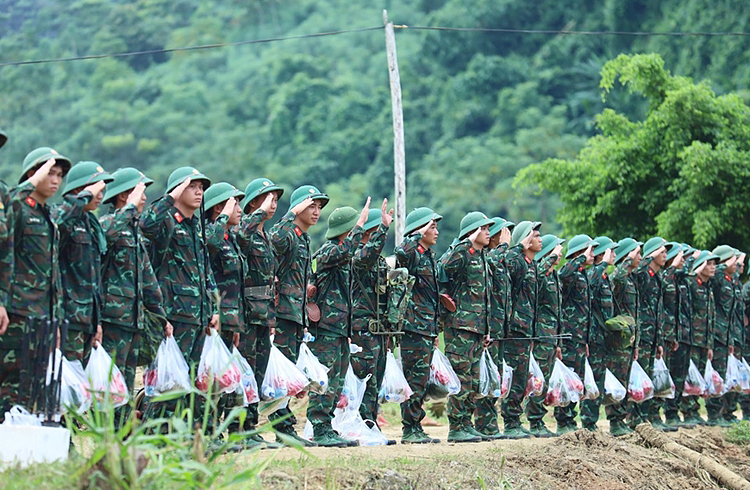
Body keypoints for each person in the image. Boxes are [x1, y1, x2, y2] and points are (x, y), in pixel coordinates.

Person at [0, 150, 71, 421]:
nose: (55, 181)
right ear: (32, 175)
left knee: (30, 386)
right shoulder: (17, 206)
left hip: (42, 317)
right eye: (49, 173)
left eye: (59, 176)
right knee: (11, 383)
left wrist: (56, 319)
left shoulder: (48, 216)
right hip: (17, 311)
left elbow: (52, 275)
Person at [99, 168, 172, 420]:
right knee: (111, 380)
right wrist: (129, 208)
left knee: (126, 381)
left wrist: (161, 317)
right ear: (124, 196)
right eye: (141, 193)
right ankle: (110, 433)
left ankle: (122, 432)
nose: (144, 199)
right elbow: (106, 235)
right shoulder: (109, 225)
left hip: (133, 319)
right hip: (112, 319)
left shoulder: (134, 234)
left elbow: (148, 281)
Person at [306, 200, 371, 447]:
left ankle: (326, 426)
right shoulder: (328, 252)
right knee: (326, 377)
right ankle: (320, 427)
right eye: (355, 228)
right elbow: (343, 252)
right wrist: (361, 224)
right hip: (325, 329)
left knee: (337, 379)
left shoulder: (344, 256)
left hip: (339, 328)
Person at [269, 184, 328, 446]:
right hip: (281, 314)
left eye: (318, 207)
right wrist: (290, 213)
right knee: (280, 377)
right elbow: (274, 239)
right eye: (311, 206)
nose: (316, 212)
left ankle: (286, 428)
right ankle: (282, 429)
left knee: (290, 375)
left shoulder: (303, 237)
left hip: (295, 315)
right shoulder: (288, 233)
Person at [141, 167, 219, 363]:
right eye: (191, 186)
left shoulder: (196, 227)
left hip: (199, 318)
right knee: (169, 385)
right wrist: (170, 197)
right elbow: (146, 225)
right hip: (173, 316)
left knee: (190, 384)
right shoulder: (167, 222)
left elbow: (205, 271)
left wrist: (214, 309)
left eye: (201, 187)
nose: (199, 191)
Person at [204, 182, 259, 445]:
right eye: (233, 203)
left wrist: (236, 324)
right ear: (219, 207)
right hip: (214, 318)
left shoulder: (230, 239)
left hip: (231, 318)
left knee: (227, 379)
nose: (239, 208)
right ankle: (210, 431)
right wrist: (224, 216)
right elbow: (210, 244)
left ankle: (230, 432)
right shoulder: (210, 233)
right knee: (212, 378)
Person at [440, 212, 495, 442]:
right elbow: (444, 266)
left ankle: (466, 422)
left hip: (477, 327)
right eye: (483, 228)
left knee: (473, 378)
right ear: (472, 232)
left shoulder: (482, 257)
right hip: (460, 327)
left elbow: (485, 297)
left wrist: (487, 328)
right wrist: (465, 242)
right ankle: (456, 426)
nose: (488, 232)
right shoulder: (463, 253)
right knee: (461, 377)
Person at [237, 178, 283, 444]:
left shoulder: (265, 235)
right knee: (245, 371)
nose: (273, 205)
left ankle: (251, 428)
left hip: (263, 315)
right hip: (247, 315)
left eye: (276, 199)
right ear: (253, 202)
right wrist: (258, 213)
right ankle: (240, 431)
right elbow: (242, 233)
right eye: (267, 199)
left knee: (258, 373)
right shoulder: (248, 230)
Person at [395, 207, 443, 444]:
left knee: (421, 380)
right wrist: (416, 233)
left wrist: (435, 330)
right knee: (413, 379)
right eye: (432, 227)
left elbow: (432, 297)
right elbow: (401, 250)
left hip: (426, 327)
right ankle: (410, 427)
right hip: (413, 327)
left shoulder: (429, 256)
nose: (436, 231)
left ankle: (415, 425)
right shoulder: (412, 254)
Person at [350, 200, 393, 427]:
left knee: (375, 379)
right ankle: (360, 423)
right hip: (362, 328)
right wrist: (384, 229)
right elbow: (364, 258)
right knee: (363, 378)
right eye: (378, 229)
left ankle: (369, 423)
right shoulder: (357, 255)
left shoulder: (379, 260)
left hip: (378, 329)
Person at [501, 220, 542, 439]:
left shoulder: (531, 265)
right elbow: (508, 263)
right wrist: (518, 245)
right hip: (515, 328)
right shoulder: (517, 261)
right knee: (515, 376)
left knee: (521, 378)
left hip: (527, 329)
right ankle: (510, 422)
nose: (539, 239)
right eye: (534, 235)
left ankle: (515, 420)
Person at [474, 217, 513, 438]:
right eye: (503, 232)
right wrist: (504, 247)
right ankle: (484, 424)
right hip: (487, 326)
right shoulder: (488, 257)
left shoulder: (501, 258)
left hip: (498, 327)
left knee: (494, 377)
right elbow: (490, 265)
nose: (506, 236)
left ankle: (489, 424)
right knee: (484, 377)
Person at [630, 237, 675, 431]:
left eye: (665, 252)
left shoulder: (658, 278)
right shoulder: (643, 274)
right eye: (662, 251)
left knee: (648, 378)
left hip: (652, 336)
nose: (665, 255)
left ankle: (645, 417)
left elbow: (658, 312)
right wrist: (649, 254)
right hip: (641, 335)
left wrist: (659, 341)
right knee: (639, 378)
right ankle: (634, 418)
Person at [556, 234, 596, 433]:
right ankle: (563, 421)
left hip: (580, 338)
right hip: (569, 337)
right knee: (569, 379)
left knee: (577, 382)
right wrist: (580, 258)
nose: (593, 255)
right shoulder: (571, 272)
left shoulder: (583, 275)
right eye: (590, 250)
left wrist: (586, 339)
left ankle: (571, 420)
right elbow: (563, 274)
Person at [527, 233, 564, 438]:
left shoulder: (554, 276)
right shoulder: (540, 273)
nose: (560, 253)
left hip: (551, 336)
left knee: (545, 380)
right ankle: (534, 420)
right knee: (537, 380)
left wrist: (557, 341)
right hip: (539, 334)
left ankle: (539, 419)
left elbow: (555, 312)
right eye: (557, 249)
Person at [581, 236, 617, 431]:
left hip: (602, 338)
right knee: (592, 379)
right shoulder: (591, 275)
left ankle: (592, 421)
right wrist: (602, 264)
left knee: (599, 380)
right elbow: (590, 287)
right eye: (612, 251)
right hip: (592, 338)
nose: (615, 255)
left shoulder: (604, 278)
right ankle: (587, 422)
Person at [606, 237, 641, 436]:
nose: (640, 258)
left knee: (625, 379)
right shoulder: (620, 278)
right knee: (618, 377)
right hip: (618, 338)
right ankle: (614, 420)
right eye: (637, 253)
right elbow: (617, 278)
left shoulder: (632, 279)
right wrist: (627, 258)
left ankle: (622, 418)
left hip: (629, 338)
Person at [660, 243, 695, 429]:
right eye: (681, 256)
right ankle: (669, 413)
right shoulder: (667, 277)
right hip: (668, 335)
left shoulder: (681, 280)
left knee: (680, 377)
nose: (685, 260)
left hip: (683, 335)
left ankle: (674, 411)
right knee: (670, 375)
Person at [684, 251, 719, 425]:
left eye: (714, 263)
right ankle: (688, 411)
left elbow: (710, 318)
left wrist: (710, 344)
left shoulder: (708, 287)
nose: (713, 267)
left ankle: (694, 411)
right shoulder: (691, 284)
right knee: (690, 377)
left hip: (704, 340)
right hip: (692, 339)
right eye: (709, 263)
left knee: (699, 377)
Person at [708, 245, 738, 426]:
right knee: (717, 375)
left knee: (723, 376)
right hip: (716, 335)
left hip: (726, 335)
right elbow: (716, 271)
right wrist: (722, 262)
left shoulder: (729, 281)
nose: (736, 263)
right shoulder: (719, 279)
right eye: (732, 259)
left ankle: (720, 413)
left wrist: (731, 339)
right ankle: (713, 414)